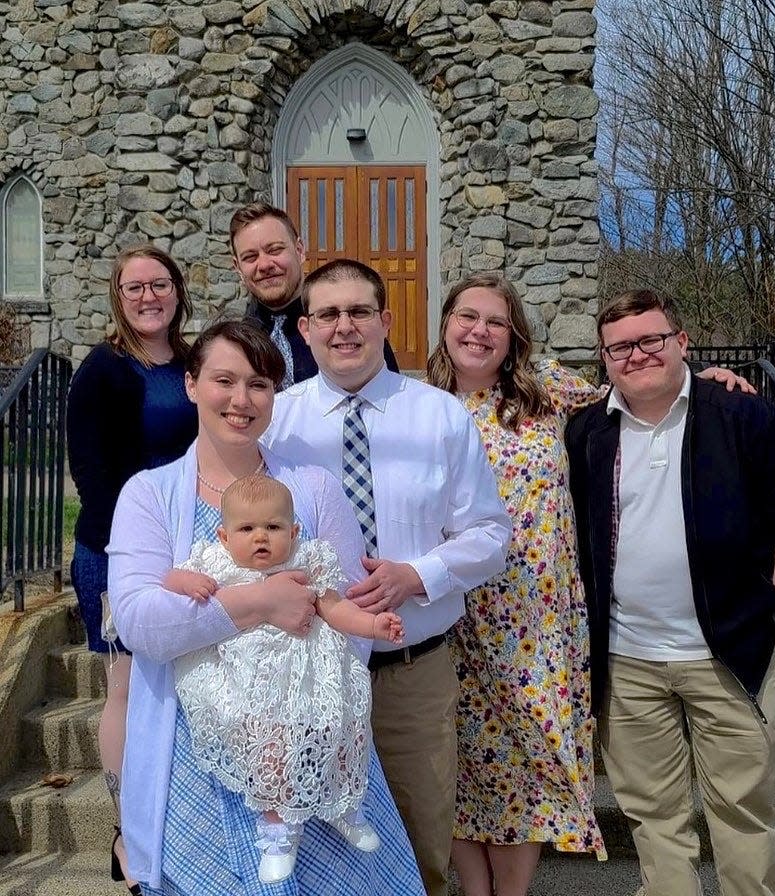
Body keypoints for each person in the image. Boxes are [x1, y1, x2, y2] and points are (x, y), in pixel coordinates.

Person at [426, 273, 750, 896]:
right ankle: (474, 888)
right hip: (455, 616)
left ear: (513, 333)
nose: (480, 331)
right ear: (446, 324)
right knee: (461, 765)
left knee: (533, 760)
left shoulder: (545, 389)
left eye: (495, 321)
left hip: (541, 620)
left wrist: (702, 378)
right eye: (468, 316)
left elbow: (632, 388)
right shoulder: (419, 406)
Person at [106, 320, 425, 896]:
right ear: (191, 384)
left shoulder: (313, 489)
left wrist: (295, 705)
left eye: (258, 384)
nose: (240, 399)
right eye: (223, 380)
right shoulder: (149, 495)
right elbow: (141, 623)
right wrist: (261, 602)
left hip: (310, 739)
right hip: (198, 752)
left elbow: (347, 613)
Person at [262, 260, 512, 896]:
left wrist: (416, 575)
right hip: (305, 671)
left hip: (411, 671)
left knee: (422, 840)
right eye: (328, 315)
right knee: (312, 849)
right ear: (305, 329)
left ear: (385, 321)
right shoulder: (276, 425)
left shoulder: (440, 418)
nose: (344, 327)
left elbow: (491, 535)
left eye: (359, 312)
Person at [566, 289, 775, 896]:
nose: (637, 355)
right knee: (654, 819)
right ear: (603, 360)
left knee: (743, 814)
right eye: (619, 347)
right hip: (628, 660)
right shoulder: (587, 432)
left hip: (730, 654)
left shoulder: (739, 414)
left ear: (682, 342)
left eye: (651, 339)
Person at [166, 473, 404, 884]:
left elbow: (336, 608)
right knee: (269, 751)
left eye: (273, 527)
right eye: (247, 529)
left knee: (342, 726)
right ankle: (278, 831)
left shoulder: (308, 561)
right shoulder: (215, 563)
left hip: (314, 673)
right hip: (255, 681)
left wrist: (373, 625)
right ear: (224, 537)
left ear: (293, 531)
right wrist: (185, 581)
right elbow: (167, 580)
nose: (261, 537)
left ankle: (343, 806)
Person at [66, 244, 197, 895]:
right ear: (117, 296)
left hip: (192, 554)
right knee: (124, 690)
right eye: (135, 286)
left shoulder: (195, 363)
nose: (149, 296)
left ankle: (172, 821)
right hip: (121, 555)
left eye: (160, 284)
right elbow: (93, 477)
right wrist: (151, 551)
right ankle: (126, 832)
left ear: (178, 291)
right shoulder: (104, 370)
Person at [229, 201, 400, 387]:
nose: (264, 265)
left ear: (300, 250)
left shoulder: (348, 328)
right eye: (250, 257)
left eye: (275, 250)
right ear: (237, 267)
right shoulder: (237, 345)